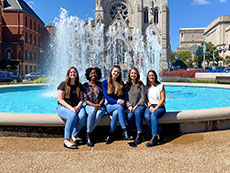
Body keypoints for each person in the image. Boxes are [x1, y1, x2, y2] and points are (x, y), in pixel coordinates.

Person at [57, 67, 86, 149]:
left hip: (77, 106)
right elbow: (60, 100)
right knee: (72, 116)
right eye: (71, 72)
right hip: (63, 107)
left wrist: (78, 106)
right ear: (68, 74)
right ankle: (66, 140)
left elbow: (81, 99)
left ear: (77, 74)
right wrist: (71, 108)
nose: (73, 74)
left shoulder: (79, 85)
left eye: (74, 72)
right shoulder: (63, 84)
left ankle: (74, 135)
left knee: (82, 116)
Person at [102, 65, 130, 144]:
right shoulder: (105, 82)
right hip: (109, 106)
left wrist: (122, 101)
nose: (116, 73)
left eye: (118, 72)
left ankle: (110, 134)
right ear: (111, 72)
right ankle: (124, 130)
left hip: (118, 107)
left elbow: (124, 96)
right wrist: (117, 101)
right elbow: (107, 97)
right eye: (114, 71)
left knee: (116, 113)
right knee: (119, 107)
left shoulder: (121, 83)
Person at [83, 67, 105, 147]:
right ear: (88, 75)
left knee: (99, 113)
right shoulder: (85, 85)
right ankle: (89, 134)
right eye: (91, 73)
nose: (93, 75)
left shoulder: (101, 84)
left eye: (95, 73)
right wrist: (93, 105)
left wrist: (99, 104)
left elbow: (103, 97)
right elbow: (85, 99)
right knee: (92, 111)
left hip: (100, 105)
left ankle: (88, 133)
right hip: (89, 105)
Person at [144, 70, 166, 147]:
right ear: (147, 77)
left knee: (153, 115)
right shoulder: (146, 87)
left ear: (155, 76)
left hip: (160, 106)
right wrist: (150, 106)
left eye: (152, 75)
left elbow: (163, 99)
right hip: (150, 106)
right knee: (146, 116)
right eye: (149, 75)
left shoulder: (160, 86)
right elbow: (146, 99)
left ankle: (154, 137)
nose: (151, 77)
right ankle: (157, 133)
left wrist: (156, 108)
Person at [125, 67, 146, 145]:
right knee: (130, 116)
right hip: (130, 106)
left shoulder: (140, 84)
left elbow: (143, 98)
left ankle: (139, 133)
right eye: (132, 73)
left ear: (137, 75)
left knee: (137, 112)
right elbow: (125, 98)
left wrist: (136, 106)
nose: (133, 75)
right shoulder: (126, 85)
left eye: (135, 73)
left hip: (140, 105)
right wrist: (129, 106)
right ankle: (133, 131)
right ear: (129, 75)